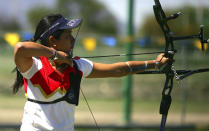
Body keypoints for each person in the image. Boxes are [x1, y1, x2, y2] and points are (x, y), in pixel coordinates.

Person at [13, 14, 169, 131]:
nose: (73, 40)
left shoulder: (77, 66)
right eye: (68, 36)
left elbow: (118, 69)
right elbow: (20, 48)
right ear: (53, 41)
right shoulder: (34, 66)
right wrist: (56, 55)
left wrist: (155, 64)